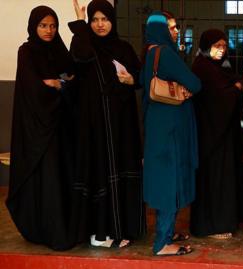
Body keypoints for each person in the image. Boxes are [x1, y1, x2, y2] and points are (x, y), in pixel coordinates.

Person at [69, 0, 145, 248]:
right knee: (100, 168)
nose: (100, 25)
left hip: (121, 120)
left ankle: (122, 228)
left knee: (122, 169)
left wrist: (130, 79)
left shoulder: (123, 47)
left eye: (104, 19)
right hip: (95, 122)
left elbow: (139, 78)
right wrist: (80, 27)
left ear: (113, 20)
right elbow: (79, 56)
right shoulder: (84, 42)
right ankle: (99, 233)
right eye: (95, 20)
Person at [6, 5, 77, 251]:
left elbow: (73, 78)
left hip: (61, 128)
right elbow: (32, 88)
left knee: (62, 177)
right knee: (46, 179)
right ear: (33, 26)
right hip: (38, 131)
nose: (48, 30)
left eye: (53, 25)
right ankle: (43, 229)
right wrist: (56, 84)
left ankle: (63, 228)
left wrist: (58, 84)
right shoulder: (26, 52)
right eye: (43, 25)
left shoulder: (60, 50)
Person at [141, 11, 201, 256]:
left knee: (165, 179)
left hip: (158, 126)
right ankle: (162, 244)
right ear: (161, 30)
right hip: (171, 130)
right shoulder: (165, 54)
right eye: (172, 28)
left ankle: (167, 234)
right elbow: (196, 84)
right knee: (169, 181)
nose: (176, 32)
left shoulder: (149, 53)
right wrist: (187, 87)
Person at [190, 29, 243, 240]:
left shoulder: (219, 67)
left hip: (223, 134)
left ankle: (224, 221)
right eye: (216, 46)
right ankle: (211, 226)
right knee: (212, 180)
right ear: (205, 46)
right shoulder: (202, 67)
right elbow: (217, 98)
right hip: (210, 135)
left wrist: (233, 87)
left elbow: (227, 87)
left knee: (224, 179)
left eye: (223, 46)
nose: (221, 50)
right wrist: (236, 89)